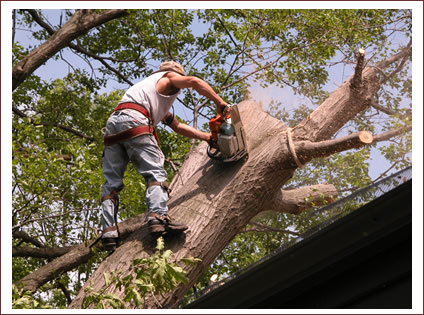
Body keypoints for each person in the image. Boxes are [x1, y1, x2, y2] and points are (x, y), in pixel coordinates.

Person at [100, 61, 228, 250]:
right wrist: (220, 103)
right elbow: (193, 81)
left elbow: (178, 127)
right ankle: (158, 217)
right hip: (135, 119)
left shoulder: (149, 94)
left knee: (111, 185)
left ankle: (108, 234)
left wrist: (207, 137)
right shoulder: (168, 77)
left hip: (114, 125)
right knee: (156, 174)